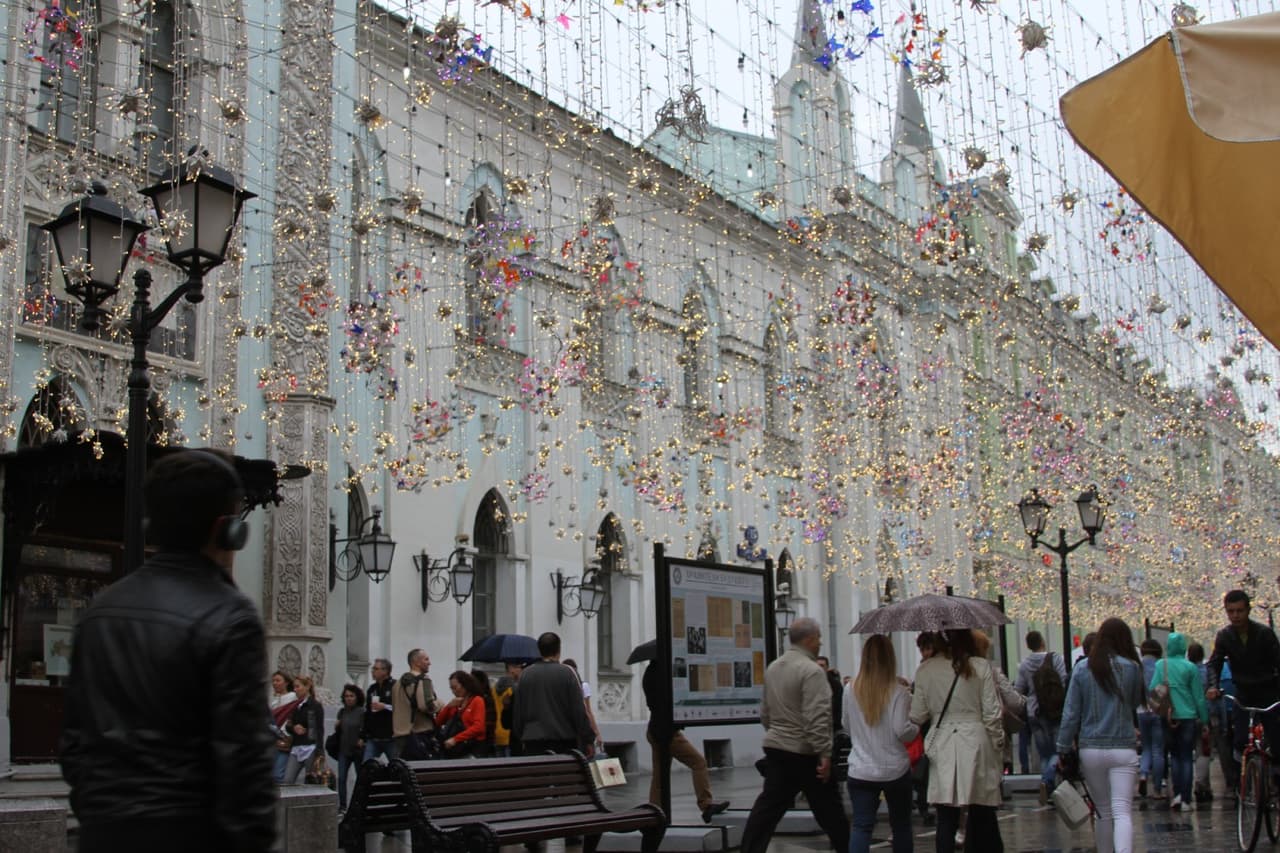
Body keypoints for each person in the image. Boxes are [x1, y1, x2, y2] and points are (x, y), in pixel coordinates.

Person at [58, 450, 275, 853]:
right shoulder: (230, 617)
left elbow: (74, 740)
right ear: (227, 530)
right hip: (191, 833)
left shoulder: (100, 612)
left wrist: (99, 812)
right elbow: (244, 759)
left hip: (104, 833)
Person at [740, 617, 850, 853]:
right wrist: (824, 753)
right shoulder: (812, 671)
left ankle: (750, 849)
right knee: (830, 810)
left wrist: (777, 732)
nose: (820, 643)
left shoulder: (774, 667)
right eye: (818, 638)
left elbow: (765, 712)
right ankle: (846, 848)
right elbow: (817, 715)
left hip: (778, 746)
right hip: (805, 750)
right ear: (809, 640)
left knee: (767, 808)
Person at [911, 628, 1004, 853]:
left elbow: (918, 714)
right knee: (981, 810)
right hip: (976, 741)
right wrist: (998, 744)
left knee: (946, 816)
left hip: (942, 742)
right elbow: (992, 714)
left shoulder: (925, 670)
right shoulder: (979, 666)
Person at [1056, 618, 1145, 853]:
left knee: (1103, 811)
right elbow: (1135, 702)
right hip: (1123, 747)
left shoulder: (1082, 669)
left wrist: (1063, 746)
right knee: (1122, 810)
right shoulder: (1132, 668)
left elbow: (1071, 713)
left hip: (1091, 748)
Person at [843, 634, 919, 853]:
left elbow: (846, 726)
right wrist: (916, 726)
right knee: (901, 825)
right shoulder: (899, 692)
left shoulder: (850, 689)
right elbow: (903, 731)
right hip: (895, 769)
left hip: (861, 768)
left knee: (861, 826)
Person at [642, 659, 729, 823]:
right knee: (699, 763)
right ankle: (706, 805)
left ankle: (654, 811)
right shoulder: (662, 673)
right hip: (667, 731)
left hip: (655, 728)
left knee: (659, 775)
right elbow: (670, 700)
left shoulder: (650, 673)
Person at [1206, 589, 1280, 774]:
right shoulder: (1225, 636)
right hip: (1243, 693)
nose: (1235, 616)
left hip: (1268, 692)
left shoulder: (1264, 633)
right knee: (1239, 740)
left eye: (1239, 611)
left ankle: (1275, 775)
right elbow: (1214, 663)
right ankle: (1242, 780)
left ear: (1248, 610)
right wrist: (1213, 686)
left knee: (1276, 740)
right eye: (1231, 611)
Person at [512, 632, 595, 756]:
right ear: (558, 650)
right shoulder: (569, 673)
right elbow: (579, 710)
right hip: (563, 741)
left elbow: (519, 711)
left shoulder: (526, 675)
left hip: (533, 742)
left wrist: (521, 735)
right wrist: (588, 739)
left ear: (539, 651)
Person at [1152, 632, 1209, 810]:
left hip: (1168, 715)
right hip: (1188, 716)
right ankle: (1185, 798)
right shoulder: (1190, 667)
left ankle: (1176, 794)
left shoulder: (1161, 665)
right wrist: (1204, 719)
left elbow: (1152, 688)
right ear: (1183, 647)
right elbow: (1198, 696)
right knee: (1186, 757)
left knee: (1174, 756)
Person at [1014, 629, 1068, 805]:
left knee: (1045, 755)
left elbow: (1018, 690)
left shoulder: (1024, 665)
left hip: (1034, 714)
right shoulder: (1055, 659)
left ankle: (1048, 788)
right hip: (1054, 711)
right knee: (1058, 752)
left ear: (1028, 645)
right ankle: (1048, 780)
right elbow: (1063, 680)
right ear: (1042, 641)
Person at [393, 648, 439, 760]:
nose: (429, 663)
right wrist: (440, 704)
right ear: (417, 662)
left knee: (406, 768)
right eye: (426, 659)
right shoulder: (423, 680)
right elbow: (426, 706)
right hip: (419, 733)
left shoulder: (397, 684)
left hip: (400, 734)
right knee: (425, 768)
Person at [1136, 639, 1167, 800]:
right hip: (1158, 710)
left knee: (1146, 747)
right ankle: (1157, 789)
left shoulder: (1137, 666)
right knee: (1158, 750)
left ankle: (1143, 774)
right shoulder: (1161, 666)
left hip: (1141, 710)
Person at [281, 675, 324, 784]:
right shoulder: (295, 706)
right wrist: (293, 728)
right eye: (294, 687)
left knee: (310, 780)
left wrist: (319, 751)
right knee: (287, 780)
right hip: (296, 746)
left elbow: (318, 729)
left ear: (307, 687)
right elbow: (288, 725)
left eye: (298, 686)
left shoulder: (315, 705)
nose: (295, 690)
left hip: (310, 746)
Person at [435, 670, 489, 757]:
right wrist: (448, 706)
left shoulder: (477, 700)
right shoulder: (455, 703)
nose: (453, 691)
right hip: (457, 747)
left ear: (465, 685)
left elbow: (479, 727)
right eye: (451, 688)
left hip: (473, 746)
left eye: (455, 687)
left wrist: (455, 739)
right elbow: (438, 722)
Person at [1187, 641, 1215, 802]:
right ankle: (1202, 783)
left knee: (1184, 753)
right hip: (1203, 713)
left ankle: (1187, 787)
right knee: (1203, 750)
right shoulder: (1206, 671)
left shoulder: (1185, 670)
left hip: (1185, 714)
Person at [335, 684, 365, 813]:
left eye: (351, 696)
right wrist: (337, 726)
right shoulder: (342, 712)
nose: (349, 698)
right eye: (346, 696)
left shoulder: (362, 712)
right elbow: (339, 731)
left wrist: (362, 739)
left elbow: (365, 729)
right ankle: (342, 805)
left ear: (357, 697)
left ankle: (359, 805)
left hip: (357, 750)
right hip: (344, 750)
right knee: (341, 778)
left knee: (360, 779)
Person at [362, 658, 397, 761]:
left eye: (376, 669)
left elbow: (401, 708)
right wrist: (364, 734)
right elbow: (367, 712)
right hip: (374, 737)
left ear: (385, 671)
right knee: (367, 765)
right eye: (373, 669)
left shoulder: (395, 686)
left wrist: (385, 706)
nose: (372, 671)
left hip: (391, 737)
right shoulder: (372, 688)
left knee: (396, 765)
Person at [563, 658, 603, 746]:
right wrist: (597, 733)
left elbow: (587, 711)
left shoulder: (582, 686)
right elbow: (588, 711)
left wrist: (597, 733)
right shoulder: (582, 686)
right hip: (576, 728)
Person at [270, 671, 300, 784]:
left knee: (278, 774)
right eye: (273, 681)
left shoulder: (292, 697)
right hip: (274, 741)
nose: (275, 683)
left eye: (278, 680)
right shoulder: (274, 702)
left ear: (286, 682)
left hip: (286, 740)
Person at [494, 661, 523, 757]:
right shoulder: (513, 690)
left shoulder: (494, 688)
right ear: (511, 670)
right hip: (510, 733)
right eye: (518, 667)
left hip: (497, 733)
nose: (520, 669)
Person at [470, 669, 497, 756]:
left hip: (482, 743)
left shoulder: (484, 699)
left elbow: (488, 723)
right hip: (478, 741)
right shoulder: (476, 698)